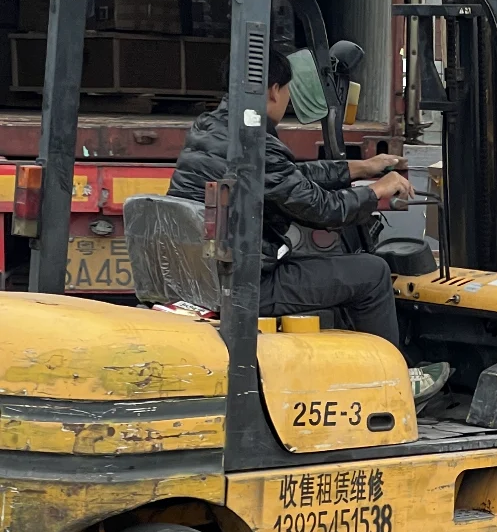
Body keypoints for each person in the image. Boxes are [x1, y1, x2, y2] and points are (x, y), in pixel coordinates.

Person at [168, 48, 450, 402]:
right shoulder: (254, 144)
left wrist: (358, 168)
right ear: (274, 90)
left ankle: (350, 372)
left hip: (207, 275)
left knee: (334, 267)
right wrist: (377, 190)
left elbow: (288, 177)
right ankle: (391, 383)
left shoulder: (210, 128)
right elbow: (323, 210)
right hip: (245, 284)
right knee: (372, 273)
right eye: (287, 91)